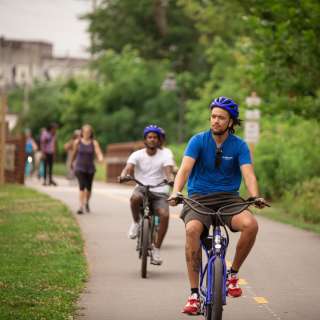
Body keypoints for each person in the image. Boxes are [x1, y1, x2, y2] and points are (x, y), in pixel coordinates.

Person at [168, 96, 268, 315]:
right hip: (199, 198)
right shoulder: (197, 141)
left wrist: (255, 196)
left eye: (221, 118)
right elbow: (184, 170)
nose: (215, 121)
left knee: (251, 225)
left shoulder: (239, 146)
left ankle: (232, 275)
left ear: (231, 122)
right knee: (192, 230)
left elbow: (248, 174)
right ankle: (194, 294)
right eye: (213, 116)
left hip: (229, 199)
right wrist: (176, 192)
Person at [119, 125, 174, 265]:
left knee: (165, 215)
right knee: (134, 197)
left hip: (159, 190)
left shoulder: (165, 154)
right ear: (145, 140)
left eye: (155, 137)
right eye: (149, 137)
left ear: (159, 140)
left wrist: (171, 179)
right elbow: (128, 168)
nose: (152, 140)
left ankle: (156, 249)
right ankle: (136, 222)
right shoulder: (137, 154)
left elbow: (168, 171)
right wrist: (124, 176)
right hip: (142, 187)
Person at [71, 124, 104, 214]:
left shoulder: (94, 142)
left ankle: (86, 202)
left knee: (89, 188)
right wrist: (71, 162)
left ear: (91, 133)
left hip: (90, 168)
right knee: (82, 186)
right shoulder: (77, 142)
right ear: (82, 132)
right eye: (85, 131)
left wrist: (100, 158)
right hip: (79, 167)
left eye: (88, 132)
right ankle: (80, 207)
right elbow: (74, 153)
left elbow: (98, 152)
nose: (86, 133)